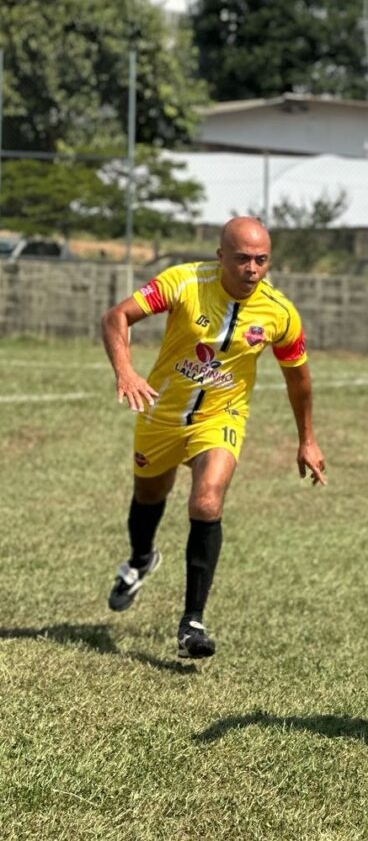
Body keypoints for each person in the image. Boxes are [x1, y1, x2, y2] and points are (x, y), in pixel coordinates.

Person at [101, 217, 326, 659]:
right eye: (242, 258)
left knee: (206, 501)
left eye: (261, 260)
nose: (252, 268)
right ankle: (141, 559)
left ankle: (192, 624)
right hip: (161, 412)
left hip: (222, 416)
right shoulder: (184, 281)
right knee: (149, 495)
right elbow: (117, 317)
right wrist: (126, 371)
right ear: (221, 255)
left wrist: (308, 439)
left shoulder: (279, 313)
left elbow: (298, 379)